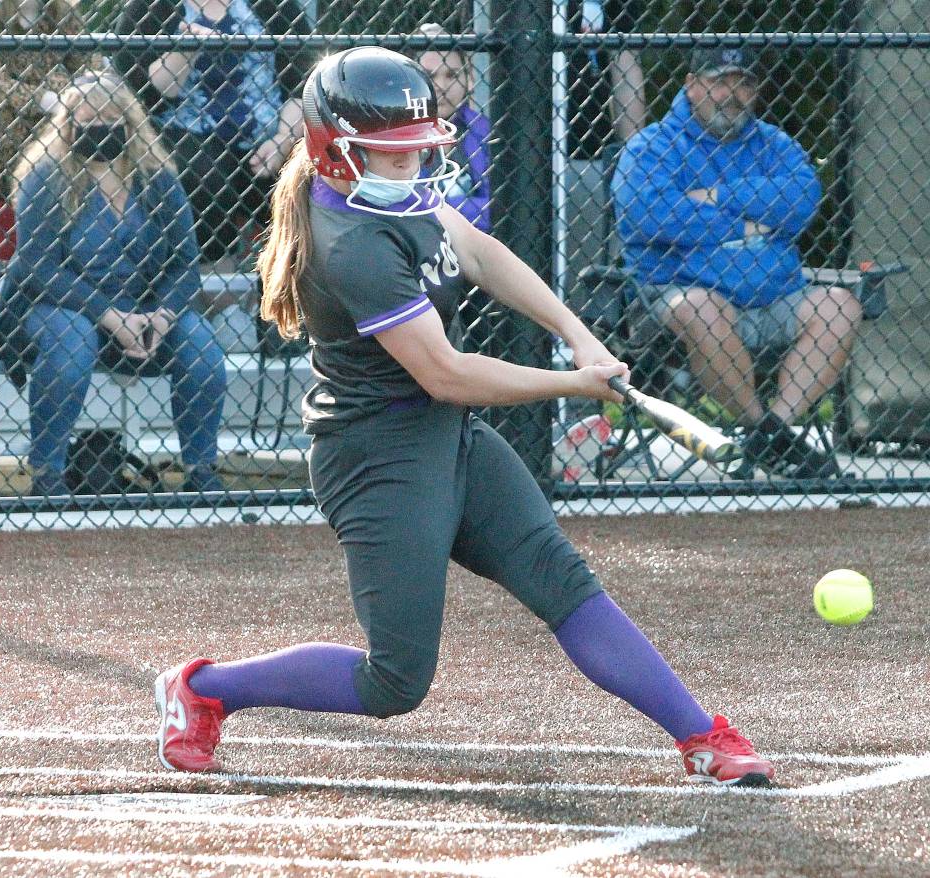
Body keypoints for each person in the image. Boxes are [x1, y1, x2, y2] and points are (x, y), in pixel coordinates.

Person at [153, 48, 775, 788]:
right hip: (376, 458)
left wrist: (578, 332)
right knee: (396, 682)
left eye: (419, 148)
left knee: (562, 580)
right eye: (393, 154)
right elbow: (446, 374)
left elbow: (479, 253)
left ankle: (703, 736)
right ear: (334, 152)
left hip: (442, 436)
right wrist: (573, 383)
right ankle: (205, 689)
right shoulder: (352, 243)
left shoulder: (395, 191)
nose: (412, 165)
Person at [613, 46, 857, 479]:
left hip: (774, 297)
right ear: (690, 85)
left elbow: (802, 199)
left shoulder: (772, 142)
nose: (733, 93)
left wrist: (716, 198)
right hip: (675, 304)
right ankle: (760, 427)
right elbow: (646, 215)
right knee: (702, 308)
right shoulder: (652, 145)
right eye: (719, 80)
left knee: (841, 306)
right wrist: (751, 224)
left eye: (744, 83)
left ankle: (771, 435)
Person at [0, 71, 227, 496]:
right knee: (73, 338)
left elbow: (185, 264)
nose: (98, 128)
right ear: (66, 126)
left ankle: (201, 466)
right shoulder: (46, 176)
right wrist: (109, 315)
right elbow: (36, 268)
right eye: (85, 120)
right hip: (59, 306)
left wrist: (163, 314)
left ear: (129, 122)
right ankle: (48, 473)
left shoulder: (157, 178)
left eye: (108, 117)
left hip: (143, 308)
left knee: (201, 345)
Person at [112, 0, 314, 263]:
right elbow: (141, 94)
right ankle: (209, 276)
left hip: (270, 132)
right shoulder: (154, 7)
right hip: (184, 132)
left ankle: (282, 276)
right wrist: (185, 51)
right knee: (201, 181)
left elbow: (302, 83)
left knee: (301, 178)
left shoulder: (273, 5)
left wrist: (282, 140)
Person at [0, 0, 98, 266]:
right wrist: (47, 96)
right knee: (43, 127)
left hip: (54, 125)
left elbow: (91, 70)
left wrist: (63, 92)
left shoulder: (62, 11)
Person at [416, 22, 493, 353]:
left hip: (474, 264)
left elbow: (498, 209)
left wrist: (434, 211)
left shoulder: (483, 133)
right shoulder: (391, 138)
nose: (441, 87)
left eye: (452, 75)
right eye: (430, 77)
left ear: (469, 80)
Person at [562, 1, 646, 306]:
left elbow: (625, 65)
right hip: (522, 145)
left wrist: (633, 152)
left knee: (584, 260)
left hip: (588, 152)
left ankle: (583, 334)